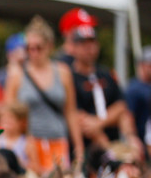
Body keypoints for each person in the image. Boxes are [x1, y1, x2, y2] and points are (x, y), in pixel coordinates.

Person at [3, 15, 82, 175]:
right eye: (29, 48)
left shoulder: (62, 72)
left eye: (38, 47)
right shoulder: (17, 75)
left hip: (58, 139)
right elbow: (8, 114)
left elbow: (70, 111)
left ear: (49, 46)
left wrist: (79, 147)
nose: (33, 52)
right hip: (30, 143)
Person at [60, 9, 141, 164]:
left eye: (92, 43)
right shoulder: (69, 76)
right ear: (74, 47)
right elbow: (77, 116)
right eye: (84, 44)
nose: (89, 48)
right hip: (89, 150)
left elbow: (121, 106)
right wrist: (109, 148)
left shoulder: (106, 74)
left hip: (111, 139)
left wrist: (129, 138)